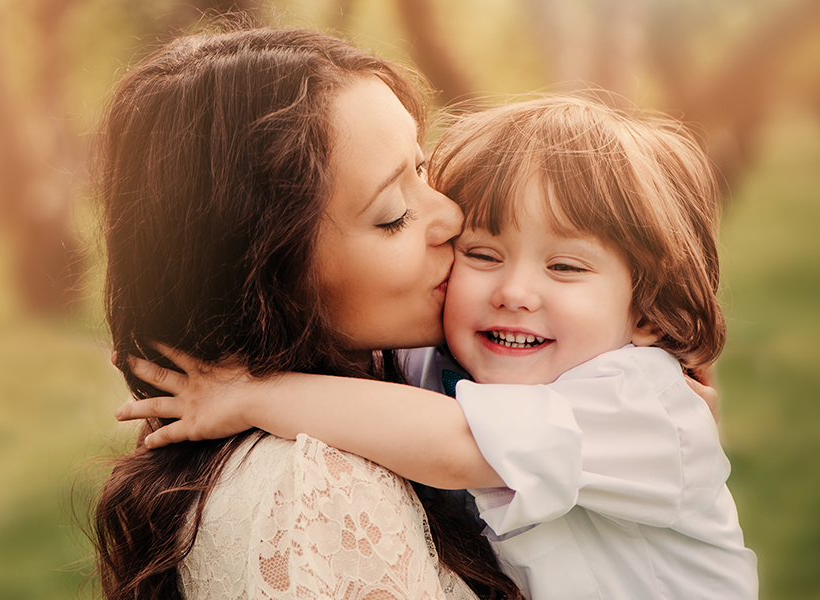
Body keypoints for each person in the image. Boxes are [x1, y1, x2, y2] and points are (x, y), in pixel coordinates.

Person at [119, 96, 756, 599]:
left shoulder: (643, 404)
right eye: (483, 255)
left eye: (565, 267)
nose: (514, 291)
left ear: (647, 312)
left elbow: (458, 446)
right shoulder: (440, 366)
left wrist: (254, 395)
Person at [91, 26, 523, 600]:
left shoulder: (388, 403)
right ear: (269, 277)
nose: (449, 216)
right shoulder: (319, 490)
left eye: (421, 168)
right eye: (393, 214)